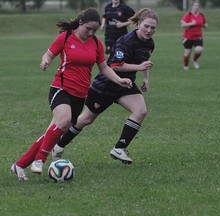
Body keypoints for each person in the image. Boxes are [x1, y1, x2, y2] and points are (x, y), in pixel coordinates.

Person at [11, 8, 132, 180]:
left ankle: (19, 165)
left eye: (94, 30)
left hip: (80, 95)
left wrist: (119, 80)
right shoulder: (66, 37)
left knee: (53, 132)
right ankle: (40, 159)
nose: (90, 33)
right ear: (80, 23)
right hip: (61, 89)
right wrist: (45, 61)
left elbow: (104, 68)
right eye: (88, 29)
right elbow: (49, 53)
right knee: (64, 121)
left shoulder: (97, 43)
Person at [52, 8, 159, 165]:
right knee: (86, 119)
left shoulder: (149, 43)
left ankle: (119, 148)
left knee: (141, 111)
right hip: (106, 85)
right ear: (139, 24)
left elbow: (144, 63)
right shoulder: (126, 41)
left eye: (153, 28)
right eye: (146, 26)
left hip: (126, 84)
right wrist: (139, 67)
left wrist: (145, 79)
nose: (149, 30)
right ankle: (59, 145)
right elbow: (115, 66)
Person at [181, 2, 208, 70]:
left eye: (198, 6)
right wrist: (191, 23)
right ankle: (186, 66)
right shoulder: (188, 15)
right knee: (187, 53)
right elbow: (183, 25)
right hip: (188, 37)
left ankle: (194, 60)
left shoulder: (201, 15)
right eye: (195, 5)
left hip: (198, 37)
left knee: (199, 49)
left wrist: (205, 25)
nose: (196, 7)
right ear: (192, 7)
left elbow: (205, 24)